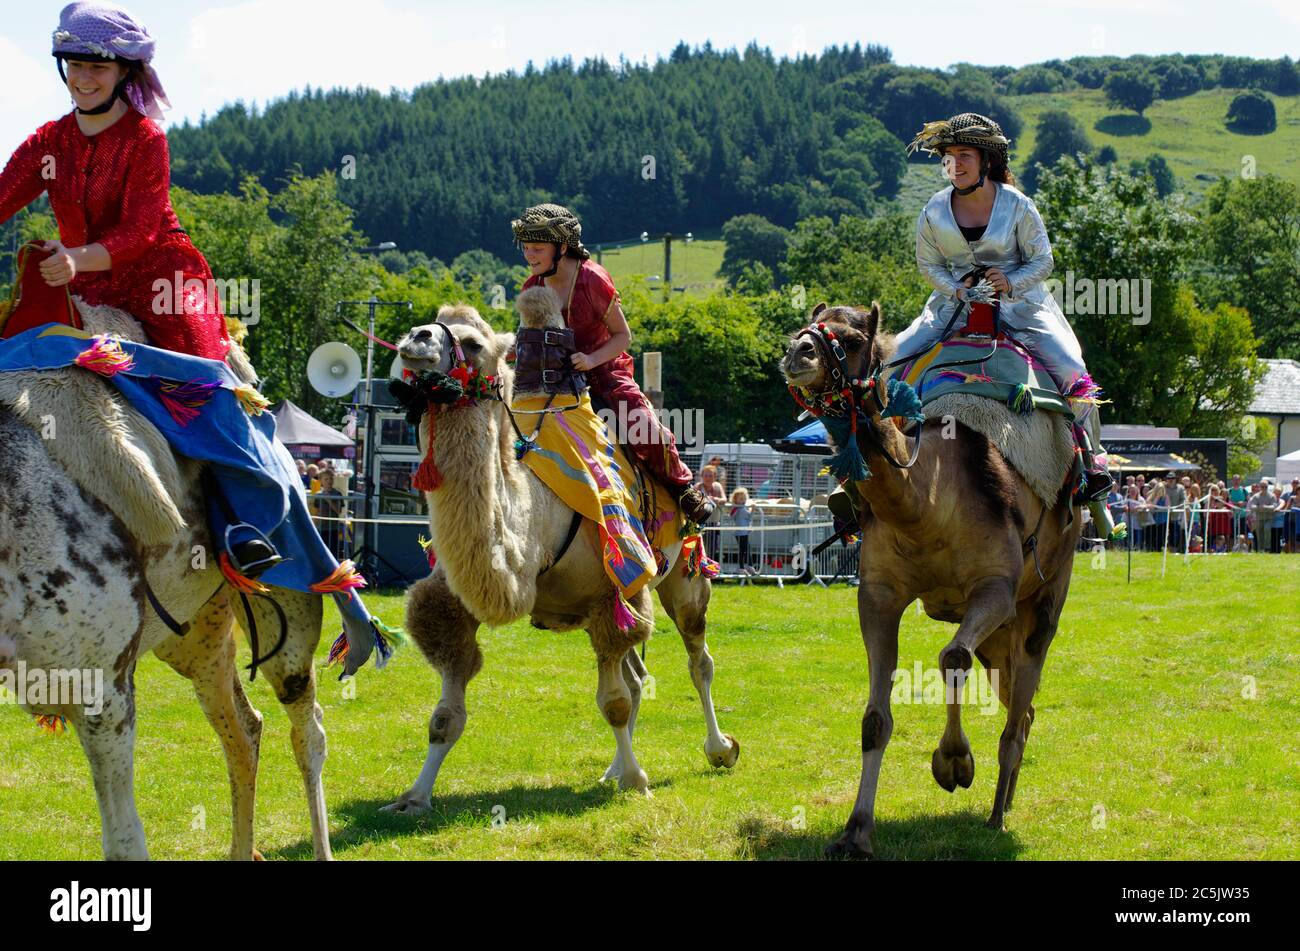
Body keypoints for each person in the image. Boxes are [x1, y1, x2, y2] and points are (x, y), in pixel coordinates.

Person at [0, 4, 390, 668]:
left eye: (98, 65)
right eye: (75, 64)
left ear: (125, 71)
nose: (84, 77)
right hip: (82, 291)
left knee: (212, 408)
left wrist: (80, 258)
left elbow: (140, 233)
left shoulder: (148, 139)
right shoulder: (46, 143)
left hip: (165, 291)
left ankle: (245, 525)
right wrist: (72, 265)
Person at [899, 113, 1117, 537]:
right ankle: (866, 475)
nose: (955, 164)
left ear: (987, 161)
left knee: (1074, 373)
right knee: (891, 362)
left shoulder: (1019, 205)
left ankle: (1092, 472)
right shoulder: (933, 209)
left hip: (1022, 308)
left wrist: (1011, 280)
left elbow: (1044, 261)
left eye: (964, 155)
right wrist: (957, 289)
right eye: (948, 157)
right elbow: (928, 265)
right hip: (953, 309)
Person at [511, 203, 715, 525]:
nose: (529, 255)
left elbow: (623, 336)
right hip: (552, 380)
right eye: (525, 247)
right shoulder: (531, 287)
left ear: (563, 247)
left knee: (644, 426)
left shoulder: (593, 279)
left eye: (537, 248)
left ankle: (684, 489)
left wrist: (590, 359)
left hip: (604, 372)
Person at [730, 487, 755, 576]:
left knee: (747, 549)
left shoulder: (745, 508)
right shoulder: (736, 508)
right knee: (743, 550)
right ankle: (744, 567)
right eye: (741, 499)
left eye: (744, 498)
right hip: (739, 533)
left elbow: (749, 517)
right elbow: (732, 516)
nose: (743, 500)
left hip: (745, 532)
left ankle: (748, 566)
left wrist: (753, 510)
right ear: (735, 500)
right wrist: (736, 508)